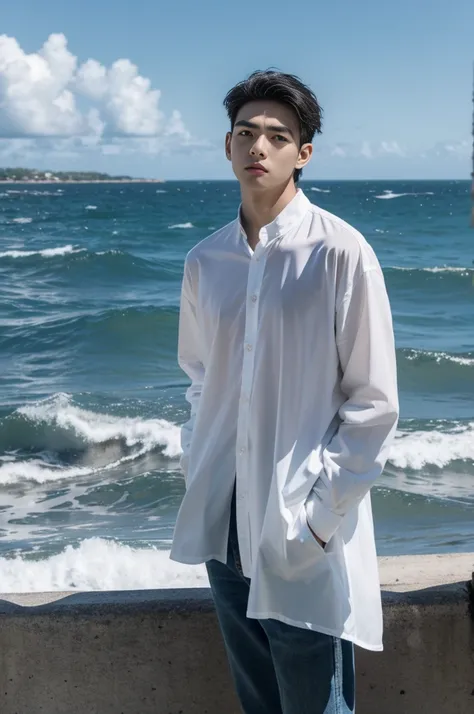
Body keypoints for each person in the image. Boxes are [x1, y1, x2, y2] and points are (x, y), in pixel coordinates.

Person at [170, 69, 399, 714]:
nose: (258, 147)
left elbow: (374, 400)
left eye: (277, 135)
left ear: (303, 153)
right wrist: (199, 469)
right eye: (246, 132)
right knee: (259, 703)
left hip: (300, 520)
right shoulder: (204, 262)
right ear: (227, 146)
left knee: (317, 706)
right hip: (225, 520)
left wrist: (320, 519)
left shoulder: (339, 251)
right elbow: (200, 382)